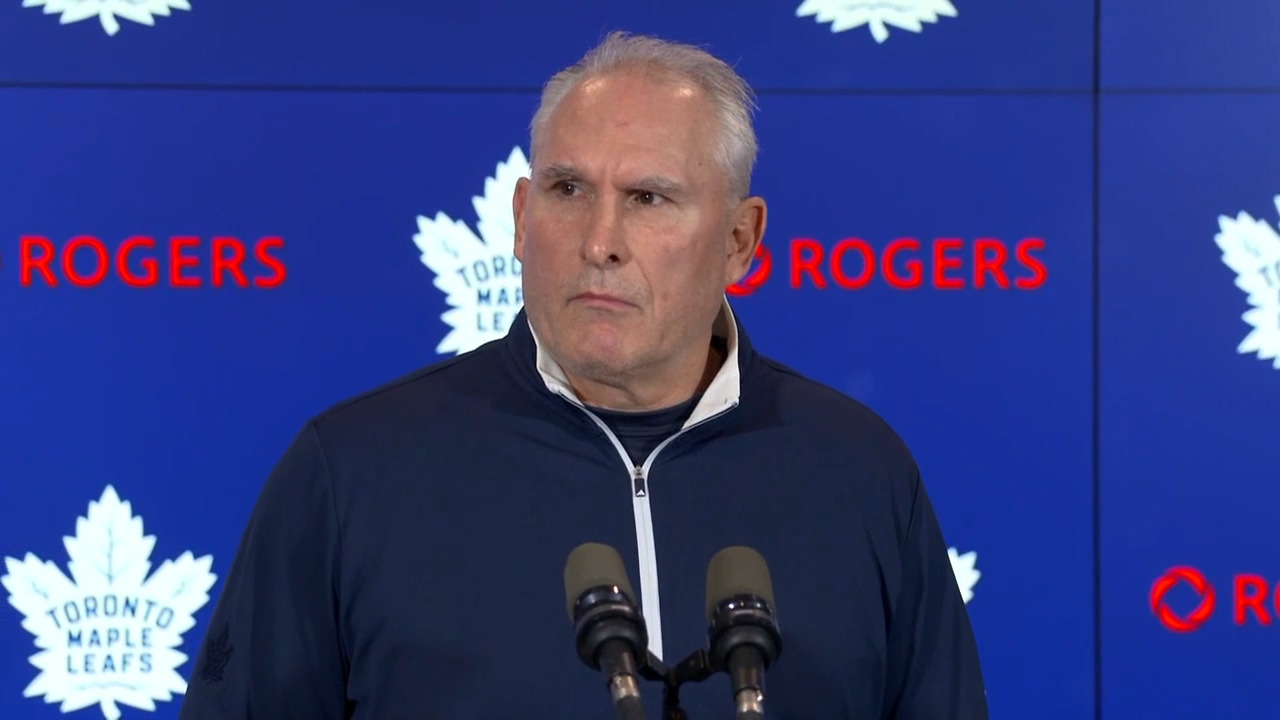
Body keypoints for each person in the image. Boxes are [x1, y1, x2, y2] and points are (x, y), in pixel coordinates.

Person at [178, 31, 987, 719]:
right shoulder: (351, 471)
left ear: (739, 240)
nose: (600, 241)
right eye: (568, 189)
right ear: (522, 218)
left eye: (648, 198)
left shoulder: (859, 473)